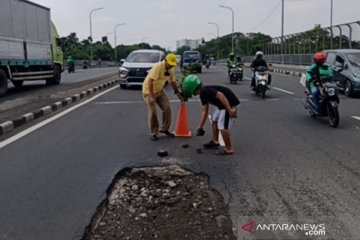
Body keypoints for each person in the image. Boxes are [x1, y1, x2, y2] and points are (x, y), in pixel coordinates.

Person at [182, 75, 240, 155]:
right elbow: (204, 111)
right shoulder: (202, 93)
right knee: (214, 119)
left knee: (222, 126)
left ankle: (229, 148)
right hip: (221, 105)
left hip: (228, 104)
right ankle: (215, 141)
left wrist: (229, 110)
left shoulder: (205, 90)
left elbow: (221, 95)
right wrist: (200, 127)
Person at [142, 53, 183, 141]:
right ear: (165, 61)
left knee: (167, 108)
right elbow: (150, 81)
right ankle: (154, 132)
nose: (171, 66)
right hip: (149, 91)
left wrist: (178, 93)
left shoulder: (171, 70)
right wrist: (152, 96)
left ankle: (164, 129)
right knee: (153, 111)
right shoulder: (158, 67)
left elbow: (173, 82)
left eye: (173, 65)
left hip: (160, 90)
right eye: (170, 64)